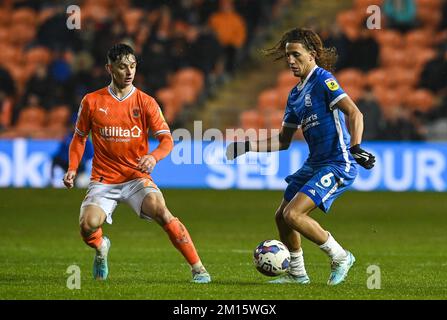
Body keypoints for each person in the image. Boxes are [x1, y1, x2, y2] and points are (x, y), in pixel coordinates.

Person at [226, 28, 375, 285]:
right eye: (288, 56)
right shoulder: (294, 95)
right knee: (281, 217)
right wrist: (247, 146)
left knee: (294, 215)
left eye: (296, 54)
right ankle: (297, 274)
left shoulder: (323, 79)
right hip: (314, 164)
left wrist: (356, 147)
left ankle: (341, 257)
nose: (291, 61)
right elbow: (283, 141)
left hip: (337, 163)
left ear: (312, 55)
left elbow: (354, 113)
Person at [63, 43, 211, 283]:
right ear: (109, 68)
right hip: (104, 179)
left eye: (132, 66)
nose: (129, 72)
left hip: (135, 178)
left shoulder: (146, 102)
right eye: (122, 67)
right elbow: (79, 138)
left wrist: (153, 157)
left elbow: (166, 140)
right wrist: (72, 169)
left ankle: (198, 268)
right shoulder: (91, 101)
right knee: (87, 226)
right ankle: (101, 247)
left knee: (161, 210)